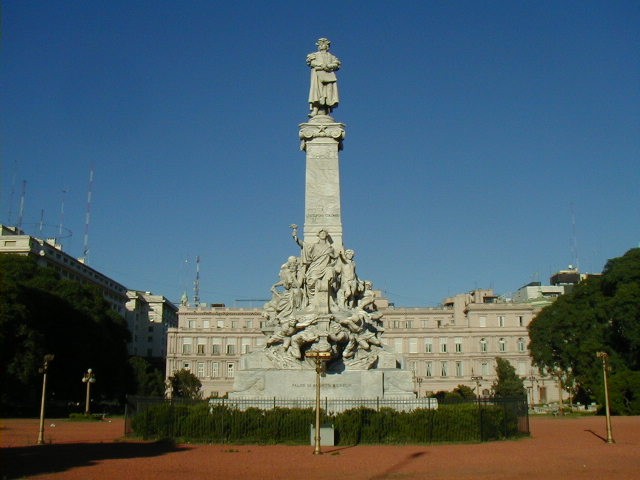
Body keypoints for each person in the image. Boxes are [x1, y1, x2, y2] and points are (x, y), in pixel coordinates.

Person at [306, 37, 340, 117]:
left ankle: (326, 110)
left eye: (323, 44)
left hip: (329, 76)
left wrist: (328, 66)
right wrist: (321, 65)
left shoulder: (331, 56)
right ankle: (315, 110)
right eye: (320, 44)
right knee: (318, 93)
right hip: (318, 76)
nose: (321, 45)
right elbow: (311, 62)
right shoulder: (314, 55)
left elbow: (337, 64)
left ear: (327, 46)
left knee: (328, 93)